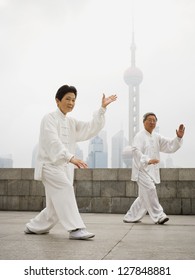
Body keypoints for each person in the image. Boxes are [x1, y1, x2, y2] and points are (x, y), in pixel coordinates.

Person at [25, 84, 117, 239]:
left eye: (73, 100)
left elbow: (91, 128)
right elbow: (52, 141)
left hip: (64, 168)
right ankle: (76, 229)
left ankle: (34, 226)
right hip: (49, 165)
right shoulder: (49, 118)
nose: (71, 103)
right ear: (57, 100)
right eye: (67, 99)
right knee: (66, 189)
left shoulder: (71, 122)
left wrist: (102, 109)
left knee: (55, 207)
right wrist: (70, 157)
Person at [123, 112, 185, 225]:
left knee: (143, 197)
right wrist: (147, 160)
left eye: (154, 120)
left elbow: (169, 145)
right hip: (141, 170)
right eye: (149, 120)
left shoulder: (157, 136)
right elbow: (136, 150)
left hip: (151, 171)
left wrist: (178, 137)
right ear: (144, 122)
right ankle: (159, 215)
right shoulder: (139, 136)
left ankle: (130, 216)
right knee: (151, 189)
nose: (152, 122)